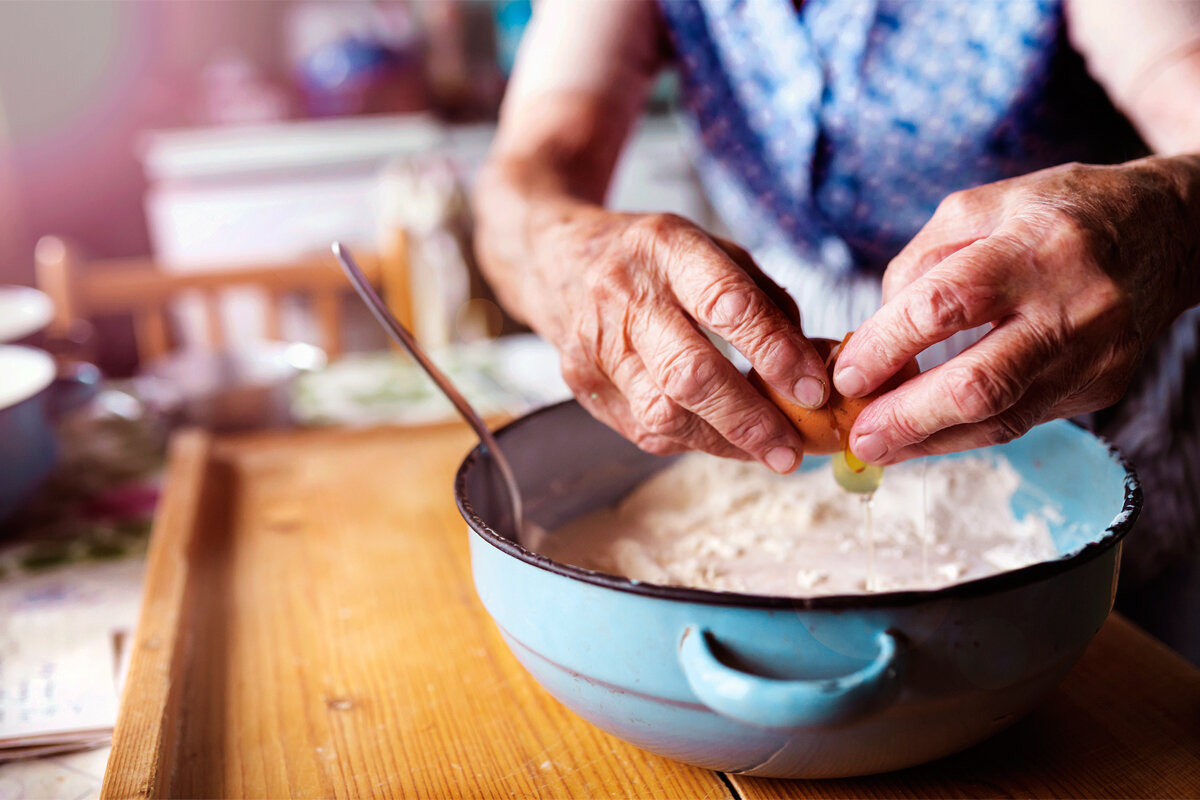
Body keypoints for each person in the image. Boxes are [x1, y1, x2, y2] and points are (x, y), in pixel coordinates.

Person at [471, 0, 1200, 656]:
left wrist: (1169, 213)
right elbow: (527, 175)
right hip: (777, 365)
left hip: (1091, 371)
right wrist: (569, 249)